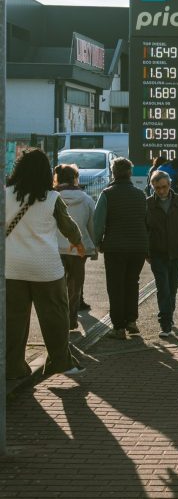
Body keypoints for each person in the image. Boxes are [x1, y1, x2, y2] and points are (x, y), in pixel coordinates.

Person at [5, 149, 86, 379]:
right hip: (45, 268)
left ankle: (14, 366)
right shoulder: (51, 198)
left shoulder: (6, 194)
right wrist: (78, 244)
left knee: (14, 320)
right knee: (55, 317)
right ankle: (60, 362)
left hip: (11, 267)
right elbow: (68, 226)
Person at [93, 157, 149, 340]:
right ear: (130, 173)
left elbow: (98, 222)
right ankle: (131, 320)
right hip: (138, 246)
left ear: (113, 172)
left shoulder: (107, 194)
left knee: (116, 286)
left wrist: (97, 243)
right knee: (132, 282)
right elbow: (146, 220)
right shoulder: (141, 195)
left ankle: (118, 327)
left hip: (115, 247)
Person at [145, 170, 178, 339]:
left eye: (164, 187)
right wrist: (147, 252)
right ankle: (165, 322)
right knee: (163, 288)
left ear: (170, 185)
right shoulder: (148, 204)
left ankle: (168, 317)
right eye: (157, 188)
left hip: (177, 252)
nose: (160, 191)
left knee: (172, 289)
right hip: (157, 252)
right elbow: (144, 229)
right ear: (152, 187)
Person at [53, 164, 96, 332]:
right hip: (79, 249)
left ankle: (60, 319)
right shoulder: (86, 199)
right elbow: (92, 225)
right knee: (75, 286)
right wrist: (94, 246)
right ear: (75, 178)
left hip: (56, 249)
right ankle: (72, 319)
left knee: (58, 286)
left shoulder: (51, 198)